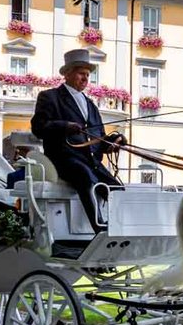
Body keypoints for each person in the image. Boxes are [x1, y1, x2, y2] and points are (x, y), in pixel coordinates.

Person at [30, 49, 122, 229]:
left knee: (116, 188)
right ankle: (99, 228)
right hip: (64, 159)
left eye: (87, 75)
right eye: (81, 73)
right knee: (85, 177)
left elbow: (99, 139)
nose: (86, 78)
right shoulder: (50, 97)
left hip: (91, 162)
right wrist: (64, 126)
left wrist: (112, 143)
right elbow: (38, 128)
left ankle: (119, 227)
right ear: (67, 74)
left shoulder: (91, 105)